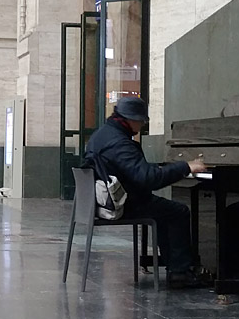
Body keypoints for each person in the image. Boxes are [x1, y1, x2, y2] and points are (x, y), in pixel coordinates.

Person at [83, 96, 212, 289]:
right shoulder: (119, 142)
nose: (143, 124)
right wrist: (186, 167)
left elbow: (135, 170)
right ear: (131, 119)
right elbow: (148, 179)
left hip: (105, 202)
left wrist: (160, 169)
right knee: (178, 211)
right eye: (141, 120)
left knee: (163, 211)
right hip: (122, 205)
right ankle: (180, 272)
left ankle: (176, 266)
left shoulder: (103, 134)